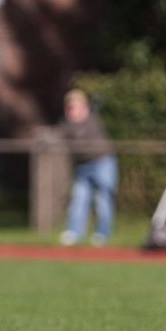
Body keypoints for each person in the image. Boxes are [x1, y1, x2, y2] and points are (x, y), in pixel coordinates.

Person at [58, 88, 117, 246]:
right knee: (79, 200)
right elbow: (58, 137)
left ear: (85, 108)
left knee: (103, 200)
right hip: (83, 167)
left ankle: (102, 235)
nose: (72, 111)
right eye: (69, 108)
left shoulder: (91, 121)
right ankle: (74, 233)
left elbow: (80, 136)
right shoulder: (66, 126)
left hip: (102, 164)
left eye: (75, 107)